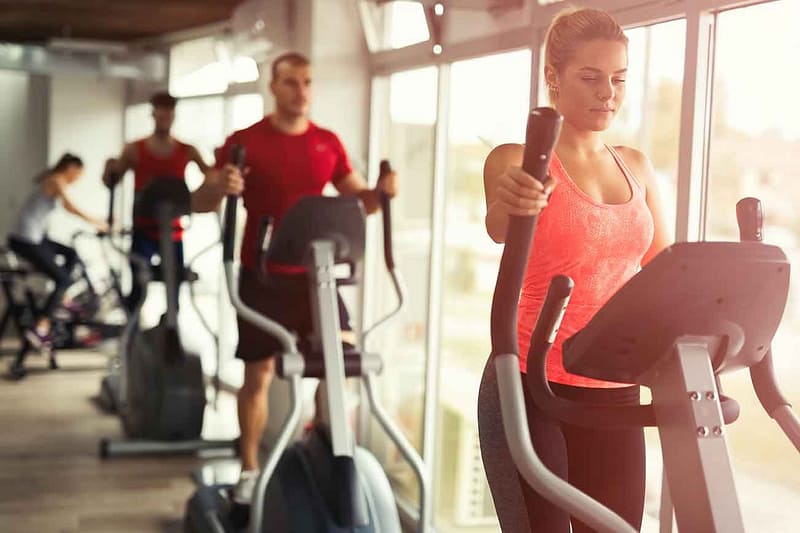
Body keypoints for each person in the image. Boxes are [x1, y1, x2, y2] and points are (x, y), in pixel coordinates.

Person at [477, 7, 671, 532]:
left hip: (614, 388)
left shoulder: (637, 164)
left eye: (618, 79)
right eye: (590, 77)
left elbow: (666, 278)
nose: (607, 92)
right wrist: (515, 201)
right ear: (553, 78)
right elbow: (500, 220)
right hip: (528, 382)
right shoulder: (520, 158)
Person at [191, 51, 397, 508]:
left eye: (307, 82)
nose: (301, 91)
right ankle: (248, 469)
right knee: (260, 374)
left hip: (316, 279)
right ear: (273, 86)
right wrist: (217, 186)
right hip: (263, 277)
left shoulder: (327, 142)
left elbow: (359, 201)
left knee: (339, 365)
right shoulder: (244, 141)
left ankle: (328, 456)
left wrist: (383, 193)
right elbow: (200, 199)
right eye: (290, 83)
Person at [103, 91, 211, 308]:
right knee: (138, 288)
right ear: (153, 114)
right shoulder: (135, 149)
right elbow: (112, 181)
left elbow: (212, 178)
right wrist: (110, 170)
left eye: (169, 114)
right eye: (161, 113)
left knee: (175, 290)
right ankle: (133, 333)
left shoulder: (187, 150)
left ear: (173, 116)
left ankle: (170, 333)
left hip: (173, 231)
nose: (165, 118)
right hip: (144, 230)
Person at [7, 153, 109, 349]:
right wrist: (97, 222)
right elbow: (69, 206)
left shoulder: (50, 177)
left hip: (34, 238)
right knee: (63, 279)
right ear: (71, 168)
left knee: (71, 254)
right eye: (78, 174)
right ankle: (41, 327)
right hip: (26, 241)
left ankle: (63, 298)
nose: (77, 179)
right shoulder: (56, 179)